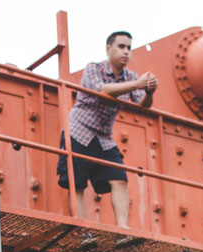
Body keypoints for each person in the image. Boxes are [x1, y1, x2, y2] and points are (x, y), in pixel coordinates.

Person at [57, 31, 158, 227]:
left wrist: (149, 91)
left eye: (129, 48)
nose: (126, 52)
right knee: (76, 184)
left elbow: (144, 104)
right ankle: (82, 230)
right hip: (79, 131)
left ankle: (123, 230)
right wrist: (138, 84)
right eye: (121, 47)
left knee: (119, 179)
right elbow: (102, 90)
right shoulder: (94, 68)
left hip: (103, 137)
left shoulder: (130, 76)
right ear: (108, 49)